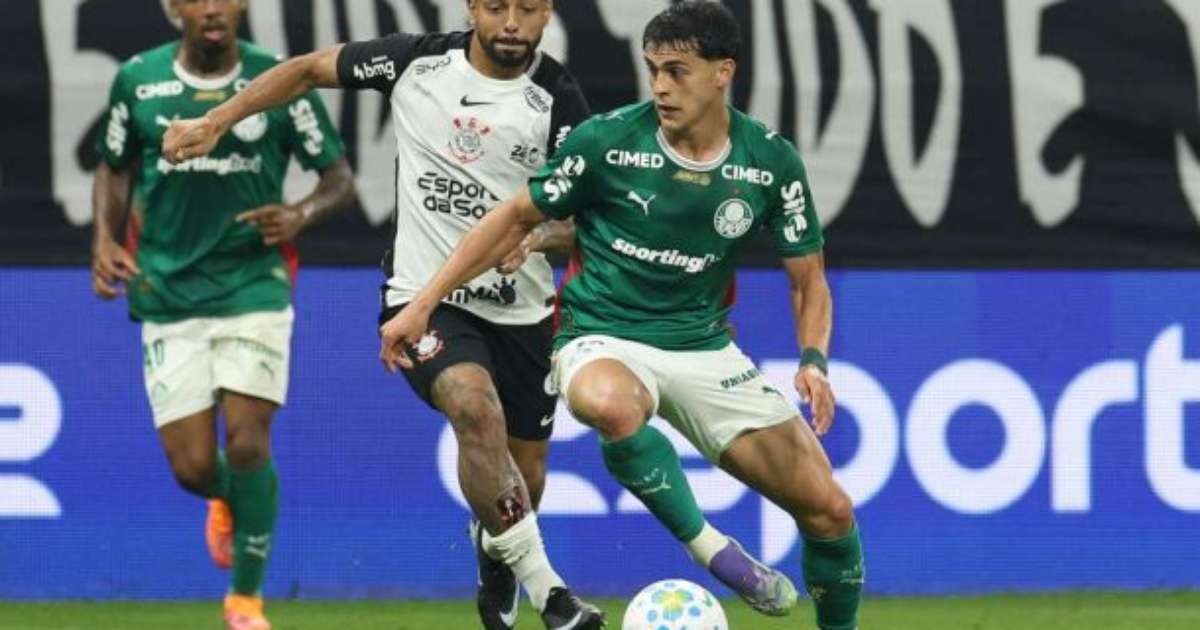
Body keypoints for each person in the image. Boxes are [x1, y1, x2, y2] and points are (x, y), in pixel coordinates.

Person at [373, 2, 865, 629]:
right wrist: (421, 304)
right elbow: (512, 217)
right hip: (600, 335)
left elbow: (808, 280)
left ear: (723, 72)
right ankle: (711, 549)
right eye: (653, 70)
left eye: (677, 71)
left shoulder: (769, 162)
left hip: (704, 347)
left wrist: (814, 361)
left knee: (831, 511)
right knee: (609, 403)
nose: (660, 87)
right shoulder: (607, 141)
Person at [162, 2, 604, 628]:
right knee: (474, 409)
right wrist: (218, 119)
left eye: (527, 8)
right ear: (471, 6)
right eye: (496, 6)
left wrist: (537, 238)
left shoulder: (559, 98)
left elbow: (580, 219)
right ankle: (551, 593)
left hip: (521, 311)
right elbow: (308, 69)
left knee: (523, 478)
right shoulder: (415, 63)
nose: (511, 22)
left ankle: (496, 552)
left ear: (547, 12)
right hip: (424, 300)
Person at [91, 0, 354, 628]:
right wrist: (102, 238)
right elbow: (115, 166)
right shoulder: (138, 80)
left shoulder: (279, 80)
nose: (212, 7)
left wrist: (300, 214)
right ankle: (226, 500)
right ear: (173, 8)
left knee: (246, 440)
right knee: (193, 468)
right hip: (168, 288)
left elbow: (339, 178)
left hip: (253, 285)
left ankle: (245, 600)